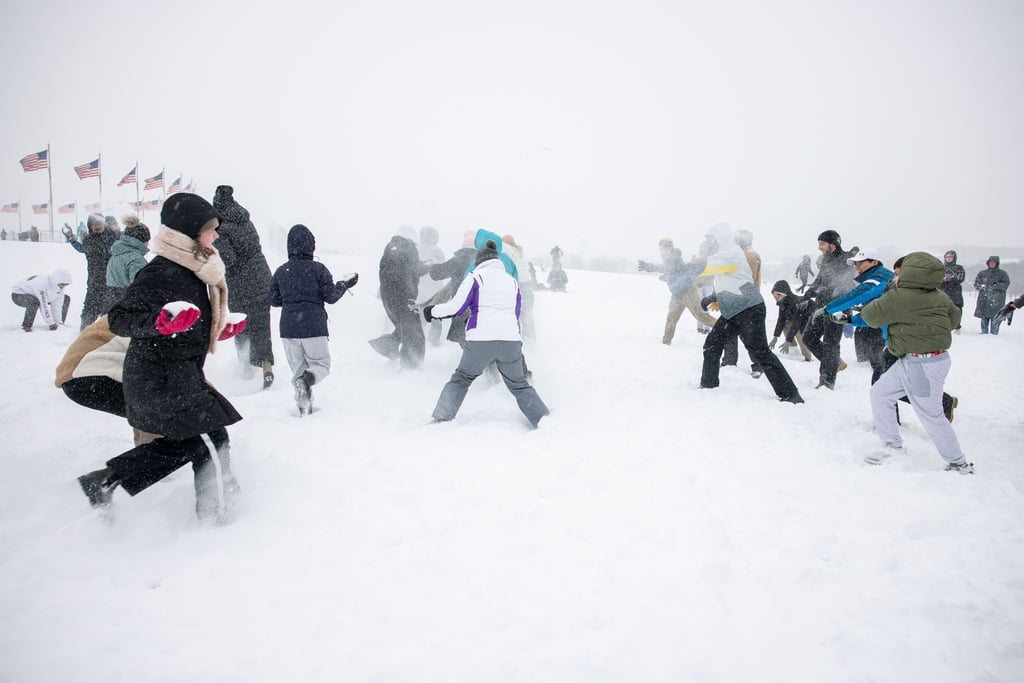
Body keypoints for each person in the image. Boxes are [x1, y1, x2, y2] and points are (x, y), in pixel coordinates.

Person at [75, 193, 248, 523]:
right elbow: (119, 318)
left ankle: (104, 481)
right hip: (160, 378)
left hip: (177, 374)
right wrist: (159, 324)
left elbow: (188, 320)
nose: (216, 235)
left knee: (190, 443)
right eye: (210, 228)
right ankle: (220, 520)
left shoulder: (193, 270)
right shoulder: (162, 271)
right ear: (190, 231)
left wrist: (217, 329)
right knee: (210, 441)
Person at [857, 252, 973, 473]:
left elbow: (870, 316)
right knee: (880, 394)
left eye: (899, 273)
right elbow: (954, 319)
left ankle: (958, 463)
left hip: (922, 364)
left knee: (931, 415)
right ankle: (892, 446)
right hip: (918, 359)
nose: (895, 276)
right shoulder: (939, 296)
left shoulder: (898, 296)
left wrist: (890, 294)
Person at [425, 240, 550, 427]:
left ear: (479, 261)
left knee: (461, 378)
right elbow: (516, 313)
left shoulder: (475, 277)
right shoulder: (511, 282)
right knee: (519, 384)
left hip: (480, 341)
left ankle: (442, 416)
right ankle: (542, 418)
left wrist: (432, 311)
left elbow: (456, 307)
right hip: (510, 341)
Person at [697, 223, 803, 403]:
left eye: (710, 239)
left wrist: (672, 266)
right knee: (712, 344)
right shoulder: (723, 254)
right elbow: (727, 281)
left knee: (760, 351)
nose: (707, 243)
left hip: (749, 309)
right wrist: (713, 298)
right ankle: (708, 386)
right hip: (733, 310)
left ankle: (791, 395)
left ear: (720, 238)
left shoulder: (731, 253)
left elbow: (704, 268)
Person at [269, 224, 359, 415]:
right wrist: (344, 284)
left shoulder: (281, 271)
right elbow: (331, 296)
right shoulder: (318, 269)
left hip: (288, 328)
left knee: (298, 370)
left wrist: (292, 296)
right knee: (320, 365)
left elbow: (274, 300)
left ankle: (304, 406)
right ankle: (307, 382)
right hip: (313, 326)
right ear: (311, 245)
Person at [55, 315, 158, 447]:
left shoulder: (154, 307)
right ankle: (153, 452)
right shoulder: (171, 314)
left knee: (151, 411)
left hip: (81, 370)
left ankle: (149, 451)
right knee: (163, 408)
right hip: (89, 369)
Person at [212, 185, 276, 387]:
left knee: (241, 325)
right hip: (262, 278)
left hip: (241, 284)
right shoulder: (245, 219)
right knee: (262, 326)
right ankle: (266, 366)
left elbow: (228, 259)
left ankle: (245, 369)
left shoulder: (220, 228)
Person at [823, 249, 893, 383]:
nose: (856, 266)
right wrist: (850, 320)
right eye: (855, 264)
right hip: (894, 340)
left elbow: (856, 295)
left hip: (903, 339)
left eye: (860, 263)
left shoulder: (879, 278)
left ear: (874, 262)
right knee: (883, 380)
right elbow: (875, 314)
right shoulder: (878, 280)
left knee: (884, 379)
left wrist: (828, 308)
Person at [803, 229, 855, 389]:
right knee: (808, 338)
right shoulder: (826, 260)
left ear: (833, 244)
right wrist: (812, 290)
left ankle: (827, 382)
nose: (819, 247)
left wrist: (822, 290)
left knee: (831, 344)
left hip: (837, 308)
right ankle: (835, 363)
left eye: (822, 244)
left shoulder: (846, 261)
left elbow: (841, 285)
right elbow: (821, 279)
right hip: (821, 307)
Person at [638, 238, 716, 345]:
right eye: (660, 246)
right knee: (671, 317)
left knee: (700, 316)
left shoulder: (674, 256)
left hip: (688, 290)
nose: (661, 249)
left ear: (668, 246)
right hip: (676, 293)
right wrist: (667, 277)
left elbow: (668, 268)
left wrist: (650, 267)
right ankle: (666, 341)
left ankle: (724, 328)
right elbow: (673, 270)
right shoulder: (667, 257)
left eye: (663, 246)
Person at [370, 231, 428, 368]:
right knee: (414, 332)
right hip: (404, 296)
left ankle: (388, 345)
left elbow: (399, 269)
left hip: (389, 297)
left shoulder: (390, 248)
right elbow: (412, 270)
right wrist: (430, 267)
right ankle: (411, 367)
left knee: (405, 327)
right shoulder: (408, 247)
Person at [422, 231, 478, 348]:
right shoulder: (483, 261)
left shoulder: (459, 260)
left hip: (461, 307)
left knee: (461, 342)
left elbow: (437, 274)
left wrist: (432, 266)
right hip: (480, 308)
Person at [63, 213, 118, 329]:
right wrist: (72, 239)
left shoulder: (112, 237)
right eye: (94, 224)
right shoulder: (88, 240)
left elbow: (115, 249)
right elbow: (82, 249)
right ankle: (84, 333)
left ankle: (107, 334)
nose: (97, 226)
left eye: (99, 223)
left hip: (111, 283)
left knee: (109, 314)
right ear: (90, 225)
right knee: (88, 314)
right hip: (94, 283)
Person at [722, 229, 762, 374]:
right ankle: (729, 362)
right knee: (729, 332)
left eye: (737, 240)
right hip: (736, 300)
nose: (734, 242)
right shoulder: (741, 254)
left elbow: (746, 280)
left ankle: (759, 365)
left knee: (748, 336)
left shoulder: (750, 255)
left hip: (746, 302)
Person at [767, 280, 815, 362]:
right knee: (786, 326)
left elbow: (796, 323)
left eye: (779, 294)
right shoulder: (782, 303)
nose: (776, 297)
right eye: (774, 294)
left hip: (808, 319)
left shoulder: (795, 303)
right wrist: (775, 337)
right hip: (797, 320)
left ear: (785, 294)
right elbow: (781, 320)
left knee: (800, 333)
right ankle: (794, 350)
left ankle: (808, 357)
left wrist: (787, 341)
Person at [105, 216, 150, 300]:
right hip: (130, 303)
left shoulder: (115, 256)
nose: (148, 244)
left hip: (113, 302)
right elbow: (140, 288)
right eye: (148, 240)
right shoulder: (136, 259)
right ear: (141, 240)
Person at [502, 234, 536, 342]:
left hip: (515, 283)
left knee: (513, 313)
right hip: (526, 284)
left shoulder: (506, 250)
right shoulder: (521, 252)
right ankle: (530, 338)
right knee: (527, 313)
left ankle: (516, 339)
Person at [973, 256, 1010, 335]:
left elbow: (1006, 284)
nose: (992, 264)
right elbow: (976, 284)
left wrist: (996, 285)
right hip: (984, 300)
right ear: (988, 263)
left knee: (995, 318)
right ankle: (984, 334)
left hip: (997, 301)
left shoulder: (1003, 274)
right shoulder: (982, 273)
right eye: (990, 262)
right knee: (984, 318)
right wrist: (982, 286)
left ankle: (994, 335)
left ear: (997, 263)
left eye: (994, 262)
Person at [939, 250, 965, 331]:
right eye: (947, 256)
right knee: (942, 311)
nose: (948, 258)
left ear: (954, 258)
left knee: (956, 311)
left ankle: (957, 327)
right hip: (942, 294)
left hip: (955, 294)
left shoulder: (959, 268)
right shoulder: (940, 268)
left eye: (950, 256)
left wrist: (951, 279)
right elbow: (935, 279)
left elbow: (961, 278)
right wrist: (942, 279)